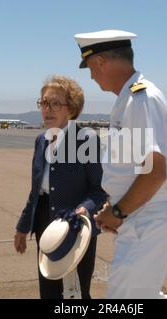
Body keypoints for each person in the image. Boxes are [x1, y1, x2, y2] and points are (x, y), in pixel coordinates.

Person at [74, 30, 167, 299]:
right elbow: (132, 168)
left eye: (90, 68)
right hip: (137, 216)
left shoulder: (141, 99)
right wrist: (116, 206)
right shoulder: (129, 100)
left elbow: (154, 172)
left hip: (144, 219)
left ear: (100, 62)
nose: (91, 76)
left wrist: (118, 212)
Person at [14, 75, 107, 299]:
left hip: (76, 225)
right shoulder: (41, 140)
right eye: (44, 103)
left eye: (55, 103)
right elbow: (36, 190)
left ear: (71, 108)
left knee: (75, 291)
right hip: (46, 223)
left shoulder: (86, 140)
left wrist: (83, 209)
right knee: (49, 290)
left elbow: (100, 189)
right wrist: (23, 225)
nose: (47, 109)